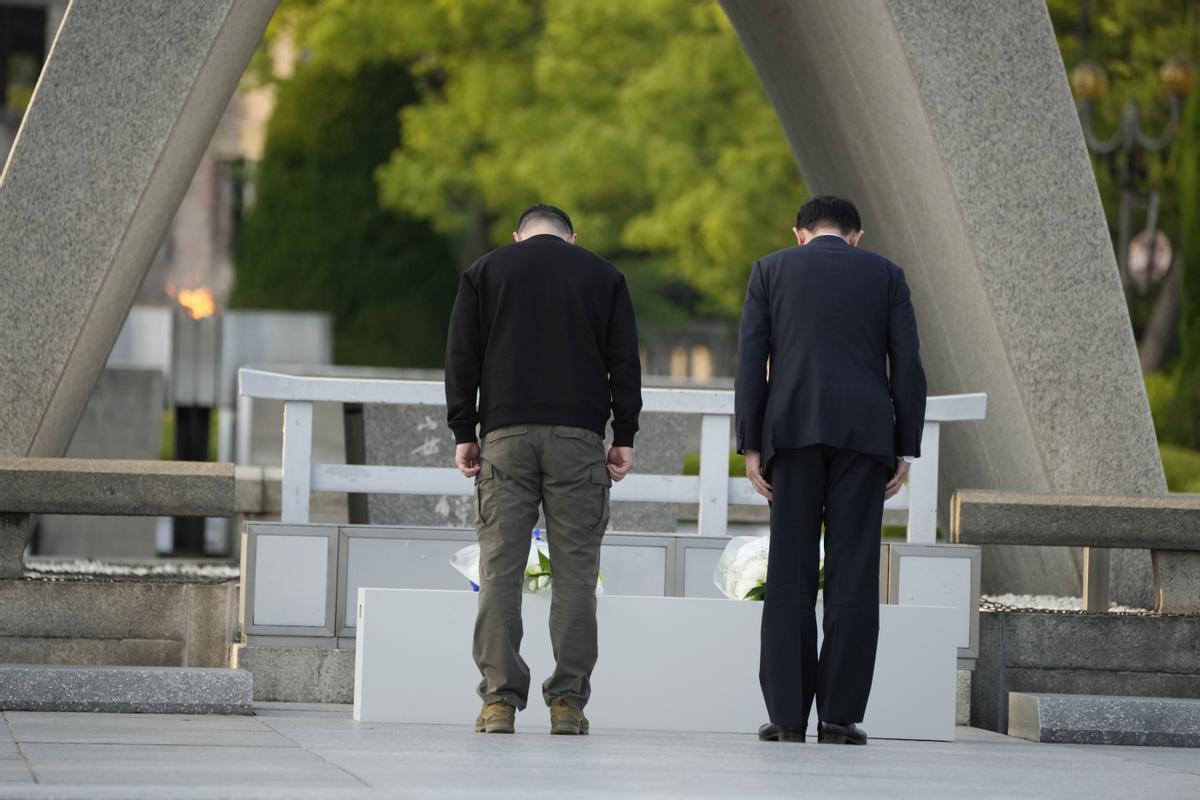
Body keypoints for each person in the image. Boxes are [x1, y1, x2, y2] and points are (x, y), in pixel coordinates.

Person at [734, 195, 926, 745]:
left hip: (790, 435)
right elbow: (907, 364)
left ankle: (788, 716)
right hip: (866, 439)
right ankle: (839, 718)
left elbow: (751, 360)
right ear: (856, 235)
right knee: (854, 571)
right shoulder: (887, 275)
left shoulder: (770, 270)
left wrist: (750, 445)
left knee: (789, 570)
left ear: (799, 232)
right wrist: (904, 447)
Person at [445, 203, 643, 736]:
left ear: (517, 237)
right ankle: (568, 704)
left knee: (500, 571)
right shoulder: (604, 275)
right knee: (575, 575)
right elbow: (624, 361)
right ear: (572, 238)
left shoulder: (486, 271)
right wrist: (623, 435)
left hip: (505, 436)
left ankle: (499, 702)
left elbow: (462, 355)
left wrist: (465, 430)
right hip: (578, 438)